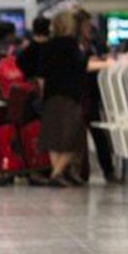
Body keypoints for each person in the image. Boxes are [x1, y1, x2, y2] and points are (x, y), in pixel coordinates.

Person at [38, 11, 87, 187]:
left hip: (51, 94)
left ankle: (56, 172)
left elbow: (41, 71)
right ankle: (56, 173)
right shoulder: (73, 46)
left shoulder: (48, 46)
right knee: (72, 137)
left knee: (53, 136)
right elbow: (81, 68)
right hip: (69, 95)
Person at [75, 8, 118, 183]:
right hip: (79, 94)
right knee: (78, 136)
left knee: (98, 134)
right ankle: (80, 171)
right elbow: (82, 65)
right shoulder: (73, 46)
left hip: (91, 95)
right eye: (86, 24)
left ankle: (108, 170)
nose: (89, 27)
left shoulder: (93, 43)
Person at [17, 16, 51, 82]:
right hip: (50, 86)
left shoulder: (27, 49)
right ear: (48, 29)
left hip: (32, 85)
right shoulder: (54, 48)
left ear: (34, 29)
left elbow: (19, 63)